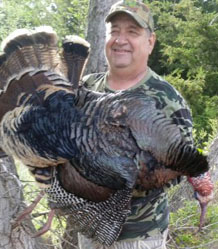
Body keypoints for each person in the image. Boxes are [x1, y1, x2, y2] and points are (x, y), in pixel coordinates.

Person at [78, 0, 194, 248]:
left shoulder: (167, 99)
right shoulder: (85, 87)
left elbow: (181, 168)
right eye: (114, 31)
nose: (120, 39)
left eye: (132, 31)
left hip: (137, 237)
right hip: (89, 231)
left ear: (150, 41)